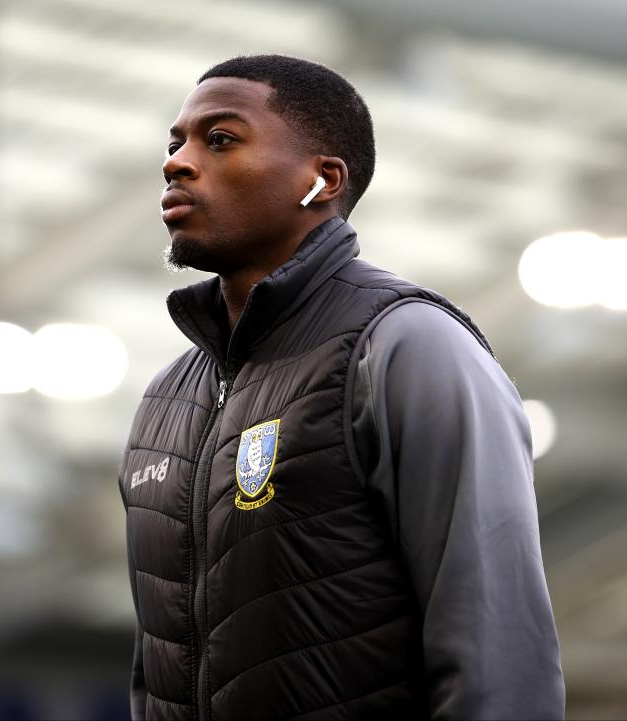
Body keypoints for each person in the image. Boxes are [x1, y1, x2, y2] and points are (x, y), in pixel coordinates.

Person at [118, 54, 565, 720]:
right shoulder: (165, 403)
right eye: (175, 142)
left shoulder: (407, 346)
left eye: (220, 140)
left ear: (321, 181)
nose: (177, 162)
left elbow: (499, 652)